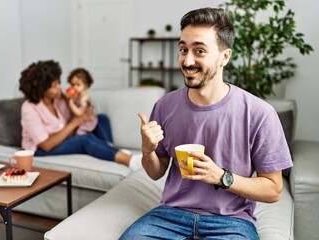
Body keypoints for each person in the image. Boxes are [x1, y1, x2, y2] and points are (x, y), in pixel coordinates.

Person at [120, 8, 293, 239]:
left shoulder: (260, 113)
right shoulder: (164, 106)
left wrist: (221, 177)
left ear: (225, 57)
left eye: (199, 51)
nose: (187, 60)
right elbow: (155, 171)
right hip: (170, 216)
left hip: (231, 222)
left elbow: (274, 190)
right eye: (183, 49)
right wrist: (147, 150)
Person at [18, 60, 141, 170]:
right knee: (84, 140)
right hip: (42, 150)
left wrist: (84, 109)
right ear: (41, 89)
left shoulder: (58, 99)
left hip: (65, 138)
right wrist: (76, 121)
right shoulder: (29, 108)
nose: (60, 87)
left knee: (101, 118)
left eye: (59, 82)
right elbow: (46, 145)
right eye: (55, 86)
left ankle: (110, 149)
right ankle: (130, 161)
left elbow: (78, 107)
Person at [66, 68, 112, 144]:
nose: (75, 87)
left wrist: (70, 102)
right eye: (72, 85)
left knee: (82, 134)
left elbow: (79, 113)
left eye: (78, 85)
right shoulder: (76, 95)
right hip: (81, 122)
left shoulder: (84, 97)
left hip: (88, 122)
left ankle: (106, 145)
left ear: (86, 85)